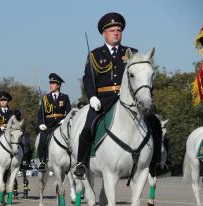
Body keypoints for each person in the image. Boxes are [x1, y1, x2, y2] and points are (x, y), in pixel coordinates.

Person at [74, 12, 162, 178]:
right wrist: (92, 97)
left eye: (118, 30)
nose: (116, 33)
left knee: (155, 123)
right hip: (103, 100)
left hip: (129, 100)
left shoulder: (132, 53)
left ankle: (156, 164)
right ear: (104, 33)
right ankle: (81, 163)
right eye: (112, 30)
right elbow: (88, 78)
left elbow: (143, 75)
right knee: (88, 127)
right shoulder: (95, 55)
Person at [37, 73, 71, 171]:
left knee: (71, 137)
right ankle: (42, 161)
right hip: (48, 125)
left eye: (53, 83)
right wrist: (41, 124)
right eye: (50, 83)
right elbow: (41, 113)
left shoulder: (64, 97)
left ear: (59, 85)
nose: (51, 85)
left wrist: (65, 119)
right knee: (42, 139)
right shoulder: (45, 98)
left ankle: (74, 159)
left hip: (61, 124)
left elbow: (68, 111)